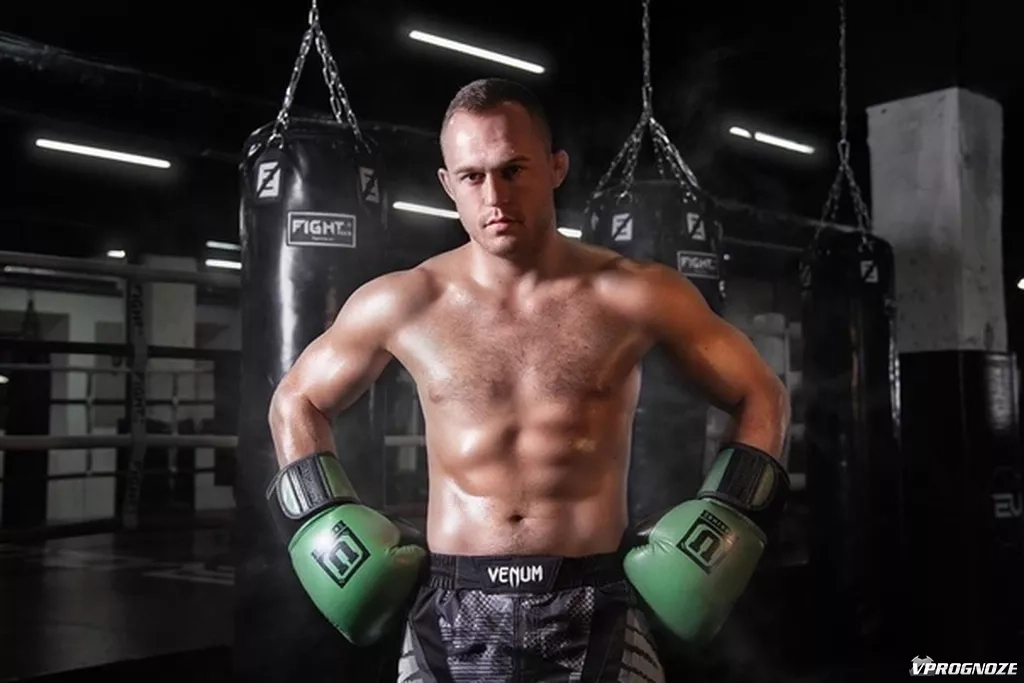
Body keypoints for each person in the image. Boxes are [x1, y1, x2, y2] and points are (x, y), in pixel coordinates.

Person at [265, 77, 791, 682]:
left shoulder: (637, 294)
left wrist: (729, 514)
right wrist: (323, 518)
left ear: (555, 167)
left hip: (594, 603)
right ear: (448, 185)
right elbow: (295, 401)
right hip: (450, 609)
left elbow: (761, 393)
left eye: (513, 169)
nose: (494, 195)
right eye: (472, 176)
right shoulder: (403, 301)